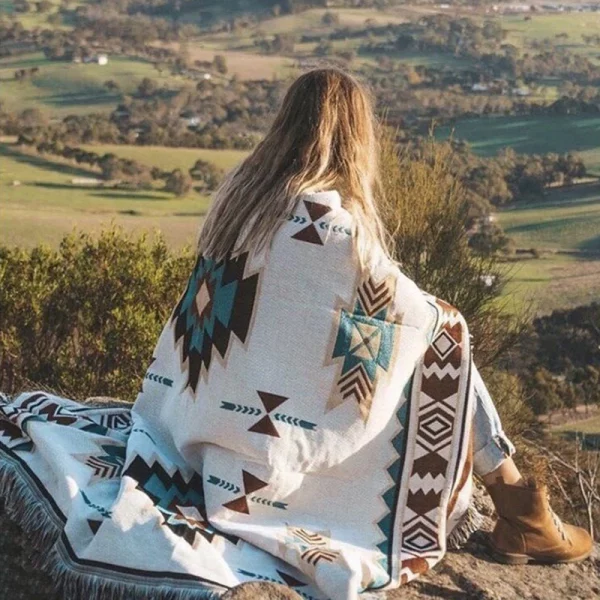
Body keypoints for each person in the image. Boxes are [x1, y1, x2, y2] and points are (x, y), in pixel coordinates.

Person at [0, 69, 592, 600]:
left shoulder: (240, 201)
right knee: (443, 332)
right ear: (355, 140)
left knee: (426, 330)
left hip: (187, 423)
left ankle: (519, 504)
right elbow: (403, 318)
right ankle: (518, 502)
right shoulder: (332, 229)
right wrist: (436, 321)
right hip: (264, 455)